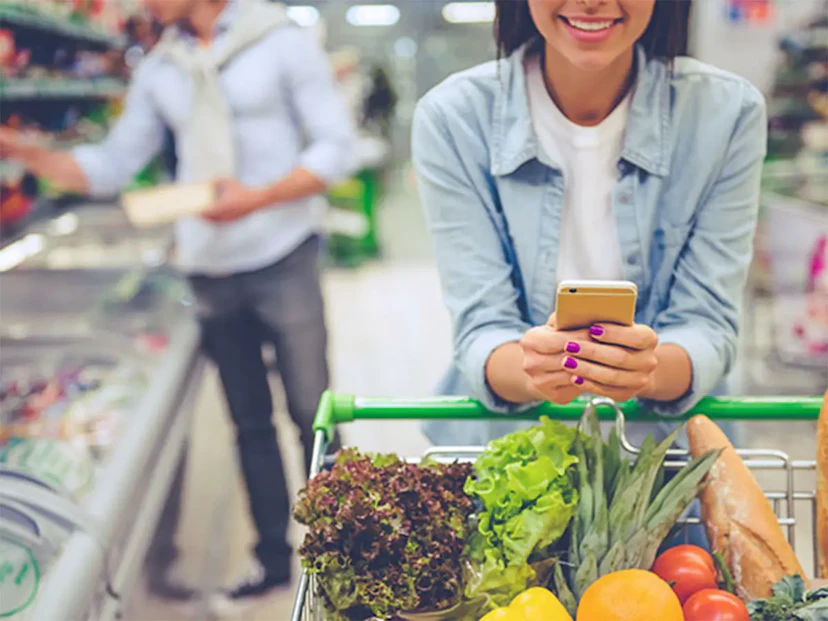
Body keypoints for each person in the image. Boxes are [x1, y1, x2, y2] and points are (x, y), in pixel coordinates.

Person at [0, 0, 353, 611]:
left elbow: (336, 147)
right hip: (210, 267)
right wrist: (26, 150)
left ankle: (346, 556)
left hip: (283, 252)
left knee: (312, 410)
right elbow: (112, 165)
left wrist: (260, 197)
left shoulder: (278, 39)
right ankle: (273, 561)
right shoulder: (161, 67)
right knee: (249, 425)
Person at [411, 0, 767, 448]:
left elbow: (707, 322)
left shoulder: (726, 113)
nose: (591, 2)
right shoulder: (453, 118)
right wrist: (533, 369)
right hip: (510, 460)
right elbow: (482, 326)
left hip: (668, 463)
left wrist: (648, 369)